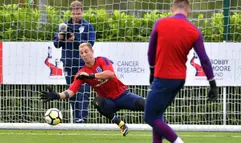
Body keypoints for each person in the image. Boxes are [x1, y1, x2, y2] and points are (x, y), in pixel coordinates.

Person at [144, 0, 218, 143]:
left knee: (150, 117)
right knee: (157, 116)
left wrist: (152, 72)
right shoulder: (194, 31)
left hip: (163, 77)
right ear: (188, 10)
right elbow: (204, 60)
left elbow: (150, 53)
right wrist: (212, 84)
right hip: (179, 79)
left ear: (172, 9)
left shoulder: (160, 23)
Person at [40, 43, 145, 136]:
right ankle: (121, 124)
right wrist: (57, 95)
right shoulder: (81, 73)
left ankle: (159, 126)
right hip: (109, 102)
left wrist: (91, 76)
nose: (84, 55)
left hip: (123, 96)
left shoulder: (102, 60)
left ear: (92, 51)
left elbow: (110, 74)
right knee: (97, 102)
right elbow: (71, 91)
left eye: (86, 51)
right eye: (81, 53)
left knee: (146, 105)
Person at [53, 0, 96, 123]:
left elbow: (90, 44)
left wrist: (75, 39)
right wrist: (60, 38)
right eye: (74, 13)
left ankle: (82, 119)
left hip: (84, 65)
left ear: (82, 12)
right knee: (71, 93)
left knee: (83, 92)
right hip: (68, 65)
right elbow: (56, 44)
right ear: (70, 12)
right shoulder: (65, 26)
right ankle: (76, 118)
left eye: (78, 13)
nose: (76, 16)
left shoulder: (88, 26)